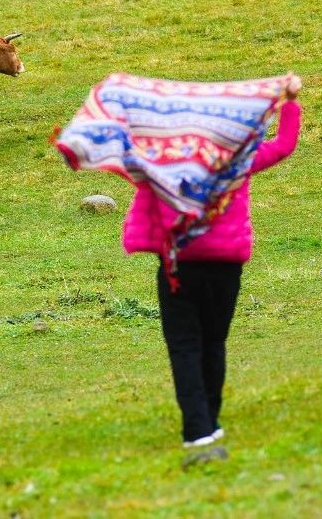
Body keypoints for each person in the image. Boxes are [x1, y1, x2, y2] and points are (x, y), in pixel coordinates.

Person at [122, 76, 302, 449]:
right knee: (213, 341)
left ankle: (197, 429)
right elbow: (284, 145)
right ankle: (211, 419)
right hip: (225, 266)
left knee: (184, 345)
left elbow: (126, 155)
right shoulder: (239, 157)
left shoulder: (163, 163)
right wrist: (290, 101)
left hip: (177, 267)